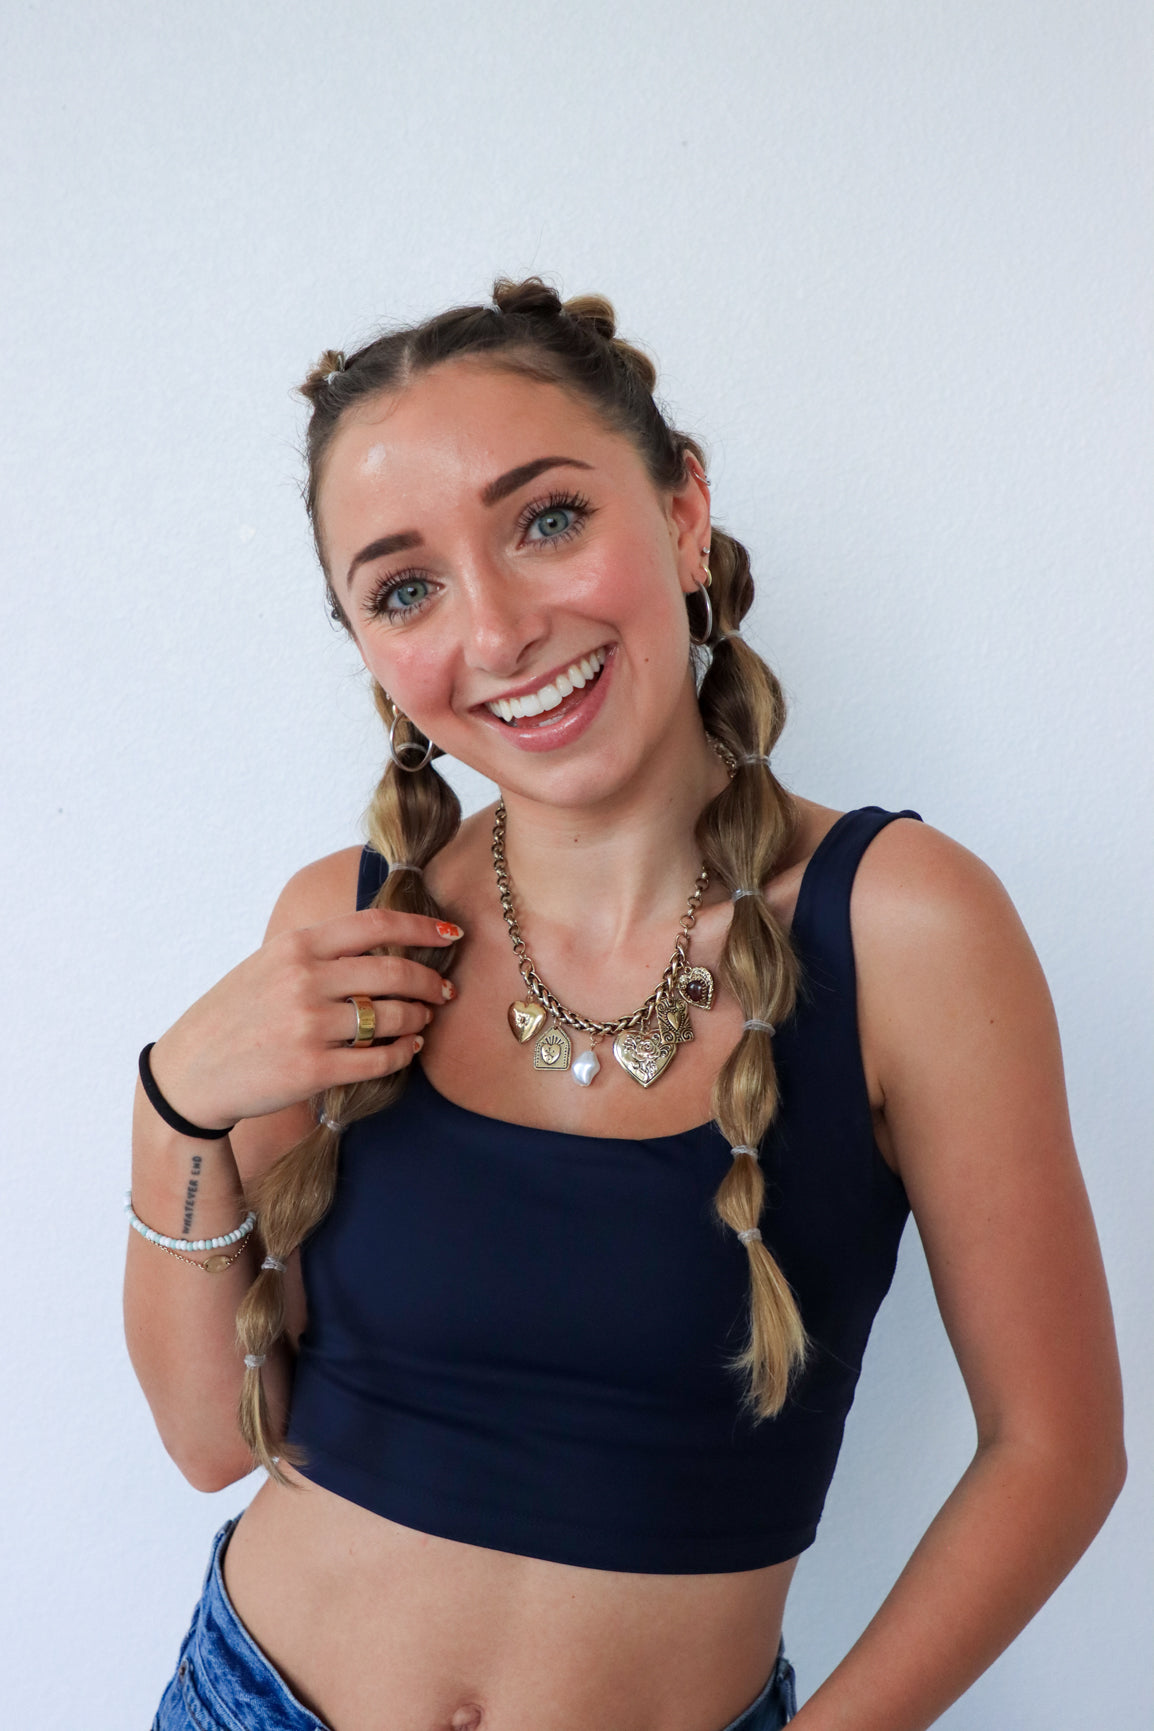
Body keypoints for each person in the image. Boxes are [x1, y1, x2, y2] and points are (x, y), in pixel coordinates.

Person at [127, 277, 1125, 1731]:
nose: (499, 629)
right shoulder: (346, 930)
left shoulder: (903, 926)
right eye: (405, 587)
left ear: (677, 513)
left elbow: (1054, 1450)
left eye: (545, 521)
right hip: (246, 1699)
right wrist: (175, 1097)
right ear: (370, 655)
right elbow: (213, 1440)